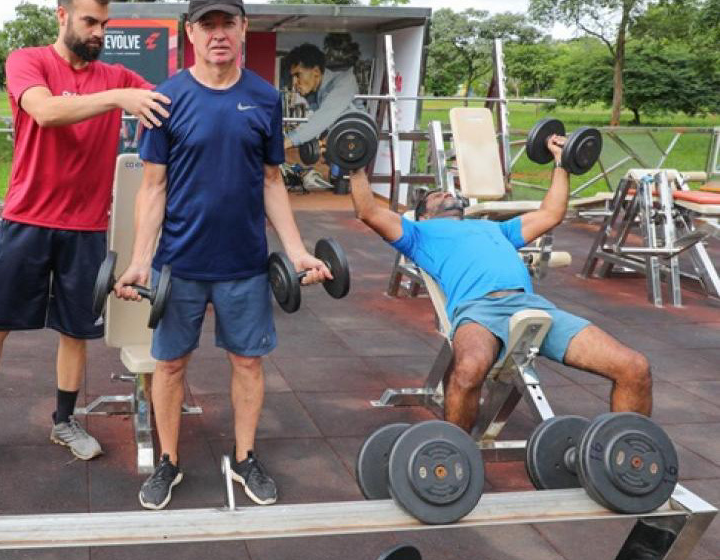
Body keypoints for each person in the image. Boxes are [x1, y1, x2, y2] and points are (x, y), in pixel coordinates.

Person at [115, 0, 331, 510]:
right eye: (207, 25)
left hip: (244, 265)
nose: (218, 34)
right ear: (190, 33)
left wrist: (296, 250)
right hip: (179, 265)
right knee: (168, 367)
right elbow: (153, 187)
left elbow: (272, 179)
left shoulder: (262, 97)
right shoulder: (166, 98)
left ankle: (245, 455)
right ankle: (168, 461)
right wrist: (141, 259)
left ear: (242, 29)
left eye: (226, 24)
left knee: (249, 362)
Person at [0, 0, 171, 462]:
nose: (99, 33)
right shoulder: (28, 61)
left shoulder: (116, 77)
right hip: (27, 220)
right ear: (61, 17)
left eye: (105, 24)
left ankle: (64, 422)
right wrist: (118, 99)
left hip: (86, 227)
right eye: (90, 22)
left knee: (74, 331)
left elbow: (171, 103)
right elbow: (44, 112)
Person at [349, 136, 653, 432]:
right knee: (467, 373)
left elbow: (551, 213)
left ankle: (630, 456)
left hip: (532, 306)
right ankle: (452, 456)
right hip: (478, 312)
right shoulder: (418, 235)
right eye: (438, 196)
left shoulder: (495, 228)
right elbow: (368, 211)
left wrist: (562, 163)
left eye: (449, 193)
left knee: (634, 367)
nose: (448, 195)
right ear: (424, 215)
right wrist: (356, 165)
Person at [282, 42, 359, 153]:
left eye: (298, 75)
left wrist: (286, 142)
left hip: (360, 150)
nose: (294, 82)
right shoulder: (316, 93)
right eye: (292, 77)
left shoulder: (345, 82)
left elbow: (322, 118)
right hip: (342, 148)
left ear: (316, 72)